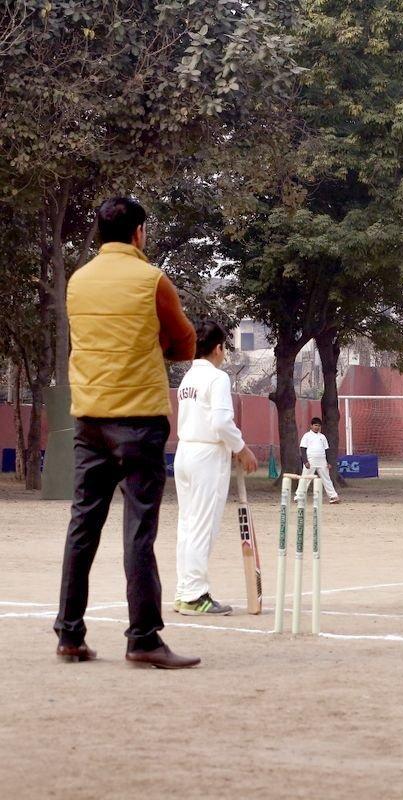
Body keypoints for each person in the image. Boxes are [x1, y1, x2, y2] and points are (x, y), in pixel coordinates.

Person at [53, 197, 201, 669]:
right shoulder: (151, 280)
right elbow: (187, 343)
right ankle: (143, 639)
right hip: (139, 420)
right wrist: (153, 342)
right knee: (138, 531)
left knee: (83, 526)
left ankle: (70, 634)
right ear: (139, 232)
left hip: (89, 420)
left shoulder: (77, 282)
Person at [174, 321, 259, 615]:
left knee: (187, 525)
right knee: (201, 526)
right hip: (206, 456)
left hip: (185, 452)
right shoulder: (217, 378)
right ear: (218, 348)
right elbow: (221, 422)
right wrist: (242, 448)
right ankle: (195, 595)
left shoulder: (187, 379)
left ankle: (185, 590)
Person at [296, 417, 340, 504]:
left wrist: (329, 462)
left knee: (326, 478)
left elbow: (327, 450)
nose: (317, 427)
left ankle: (333, 496)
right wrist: (305, 461)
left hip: (322, 460)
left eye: (318, 426)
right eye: (315, 425)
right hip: (311, 460)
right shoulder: (307, 436)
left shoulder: (322, 437)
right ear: (311, 426)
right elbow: (303, 449)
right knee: (305, 478)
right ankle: (299, 496)